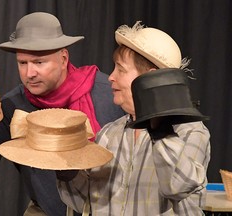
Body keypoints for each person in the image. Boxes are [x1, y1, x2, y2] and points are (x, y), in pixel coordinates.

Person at [0, 12, 125, 216]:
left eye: (39, 63)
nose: (29, 73)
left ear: (64, 58)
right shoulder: (13, 104)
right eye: (22, 63)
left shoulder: (108, 93)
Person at [56, 21, 211, 215]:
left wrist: (160, 130)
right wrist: (67, 170)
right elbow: (84, 203)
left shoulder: (190, 131)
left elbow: (178, 186)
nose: (111, 77)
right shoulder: (108, 135)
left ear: (150, 78)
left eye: (120, 69)